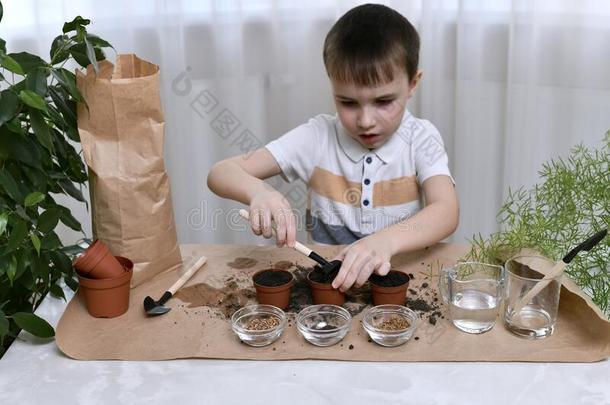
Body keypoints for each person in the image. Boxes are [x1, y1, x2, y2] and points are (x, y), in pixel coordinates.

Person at [207, 3, 459, 292]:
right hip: (329, 291)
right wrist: (259, 193)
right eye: (348, 103)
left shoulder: (421, 137)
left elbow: (446, 210)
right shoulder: (316, 137)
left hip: (400, 285)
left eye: (383, 102)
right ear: (332, 86)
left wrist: (385, 242)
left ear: (413, 83)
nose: (366, 121)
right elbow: (221, 172)